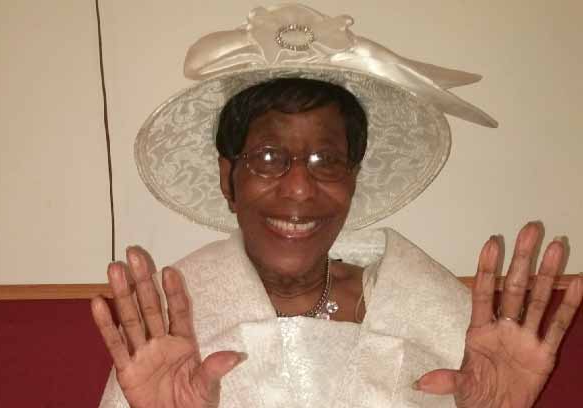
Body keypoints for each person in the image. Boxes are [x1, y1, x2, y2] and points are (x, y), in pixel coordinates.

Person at [92, 4, 583, 408]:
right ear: (228, 178)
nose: (299, 188)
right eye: (269, 157)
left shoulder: (437, 315)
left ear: (352, 178)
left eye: (326, 161)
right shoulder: (168, 333)